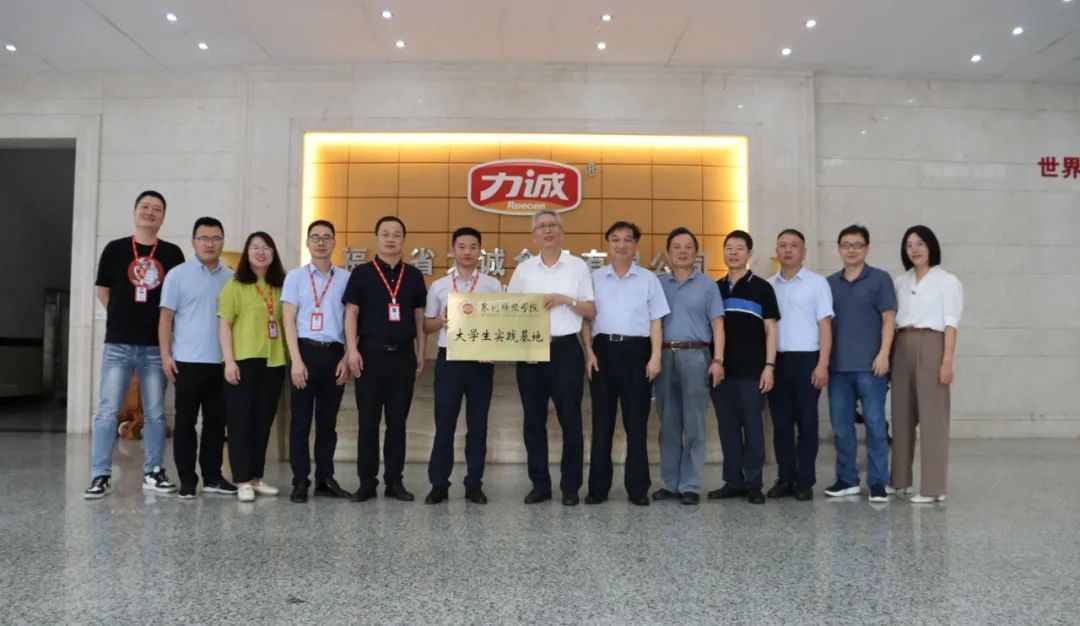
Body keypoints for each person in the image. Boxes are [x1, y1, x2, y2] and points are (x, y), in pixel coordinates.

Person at [85, 191, 185, 499]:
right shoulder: (115, 249)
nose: (150, 212)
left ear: (163, 217)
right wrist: (123, 316)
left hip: (155, 346)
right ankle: (100, 475)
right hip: (118, 343)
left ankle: (153, 471)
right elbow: (103, 292)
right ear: (135, 212)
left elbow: (177, 300)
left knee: (155, 412)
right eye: (145, 207)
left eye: (157, 209)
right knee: (107, 411)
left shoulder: (172, 253)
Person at [507, 209, 596, 506]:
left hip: (566, 350)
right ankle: (540, 485)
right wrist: (524, 348)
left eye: (552, 225)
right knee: (533, 422)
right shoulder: (524, 270)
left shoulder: (578, 267)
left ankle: (570, 487)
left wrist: (566, 300)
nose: (547, 230)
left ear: (561, 231)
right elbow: (511, 313)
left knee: (571, 420)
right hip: (530, 351)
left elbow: (590, 310)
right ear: (534, 236)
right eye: (541, 226)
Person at [581, 221, 669, 506]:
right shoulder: (594, 278)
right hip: (603, 352)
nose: (621, 245)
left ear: (635, 245)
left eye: (627, 240)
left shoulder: (648, 279)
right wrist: (589, 352)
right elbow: (586, 319)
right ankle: (597, 489)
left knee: (636, 425)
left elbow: (656, 321)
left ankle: (637, 489)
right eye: (615, 239)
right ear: (608, 244)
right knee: (601, 424)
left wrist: (655, 357)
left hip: (637, 353)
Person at [343, 216, 427, 503]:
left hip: (403, 357)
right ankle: (366, 482)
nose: (391, 239)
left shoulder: (413, 276)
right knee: (368, 422)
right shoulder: (361, 273)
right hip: (369, 356)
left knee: (397, 423)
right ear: (376, 238)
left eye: (396, 234)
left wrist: (421, 351)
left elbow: (418, 318)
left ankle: (394, 481)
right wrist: (352, 351)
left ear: (404, 239)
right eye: (385, 234)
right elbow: (351, 314)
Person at [422, 227, 502, 505]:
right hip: (450, 361)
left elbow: (501, 324)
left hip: (481, 362)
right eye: (462, 247)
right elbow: (427, 325)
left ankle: (474, 484)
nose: (467, 252)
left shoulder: (492, 285)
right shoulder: (439, 286)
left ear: (480, 251)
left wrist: (493, 350)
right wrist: (441, 322)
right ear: (453, 250)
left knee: (478, 426)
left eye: (473, 247)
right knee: (444, 425)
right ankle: (439, 484)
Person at [158, 216, 236, 499]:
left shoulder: (232, 278)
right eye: (204, 238)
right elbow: (165, 318)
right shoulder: (177, 275)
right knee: (185, 423)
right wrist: (165, 356)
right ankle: (187, 480)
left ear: (222, 242)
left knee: (216, 423)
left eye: (215, 238)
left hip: (221, 364)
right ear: (193, 242)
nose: (210, 244)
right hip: (187, 362)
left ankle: (213, 477)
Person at [652, 227, 725, 506]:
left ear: (696, 252)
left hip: (697, 356)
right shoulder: (658, 284)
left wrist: (718, 360)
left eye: (688, 247)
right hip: (664, 356)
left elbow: (718, 325)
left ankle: (691, 485)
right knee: (669, 423)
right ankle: (670, 484)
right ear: (668, 253)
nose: (682, 251)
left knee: (694, 424)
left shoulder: (708, 285)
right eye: (677, 247)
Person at [891, 225, 962, 504]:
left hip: (933, 343)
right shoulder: (900, 282)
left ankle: (933, 488)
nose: (915, 249)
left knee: (933, 418)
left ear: (931, 246)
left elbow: (951, 323)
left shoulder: (947, 281)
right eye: (909, 245)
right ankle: (899, 481)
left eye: (920, 243)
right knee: (901, 415)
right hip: (901, 343)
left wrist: (947, 361)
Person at [281, 220, 351, 503]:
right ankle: (300, 480)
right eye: (315, 237)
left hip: (334, 354)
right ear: (307, 243)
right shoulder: (295, 277)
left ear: (334, 242)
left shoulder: (346, 278)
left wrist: (346, 356)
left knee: (327, 423)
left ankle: (325, 479)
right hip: (304, 354)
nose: (321, 242)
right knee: (300, 421)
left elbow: (352, 321)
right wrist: (296, 360)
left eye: (326, 237)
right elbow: (288, 320)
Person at [825, 224, 896, 503]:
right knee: (841, 426)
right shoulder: (829, 284)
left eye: (857, 245)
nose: (851, 250)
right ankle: (847, 479)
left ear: (867, 248)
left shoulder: (880, 279)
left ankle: (878, 482)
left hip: (871, 366)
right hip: (838, 367)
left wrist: (884, 354)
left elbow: (889, 318)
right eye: (846, 245)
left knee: (875, 424)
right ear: (839, 249)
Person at [708, 230, 778, 505]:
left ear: (750, 254)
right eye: (729, 248)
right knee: (727, 429)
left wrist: (769, 366)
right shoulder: (715, 288)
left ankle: (753, 483)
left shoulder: (762, 288)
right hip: (721, 372)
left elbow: (771, 330)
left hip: (753, 371)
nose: (733, 253)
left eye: (739, 248)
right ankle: (733, 482)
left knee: (753, 428)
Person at [218, 231, 288, 503]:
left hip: (274, 361)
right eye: (255, 247)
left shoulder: (281, 286)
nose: (261, 252)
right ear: (247, 254)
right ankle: (242, 480)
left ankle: (256, 477)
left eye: (266, 247)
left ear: (274, 254)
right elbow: (224, 323)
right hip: (243, 361)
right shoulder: (235, 285)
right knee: (240, 422)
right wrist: (229, 360)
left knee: (263, 421)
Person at [766, 229, 833, 501]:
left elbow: (825, 325)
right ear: (777, 251)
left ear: (804, 252)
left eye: (794, 245)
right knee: (781, 424)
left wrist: (823, 364)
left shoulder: (817, 284)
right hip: (777, 361)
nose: (788, 250)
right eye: (782, 245)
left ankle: (805, 481)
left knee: (807, 424)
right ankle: (785, 478)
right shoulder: (768, 285)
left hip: (807, 360)